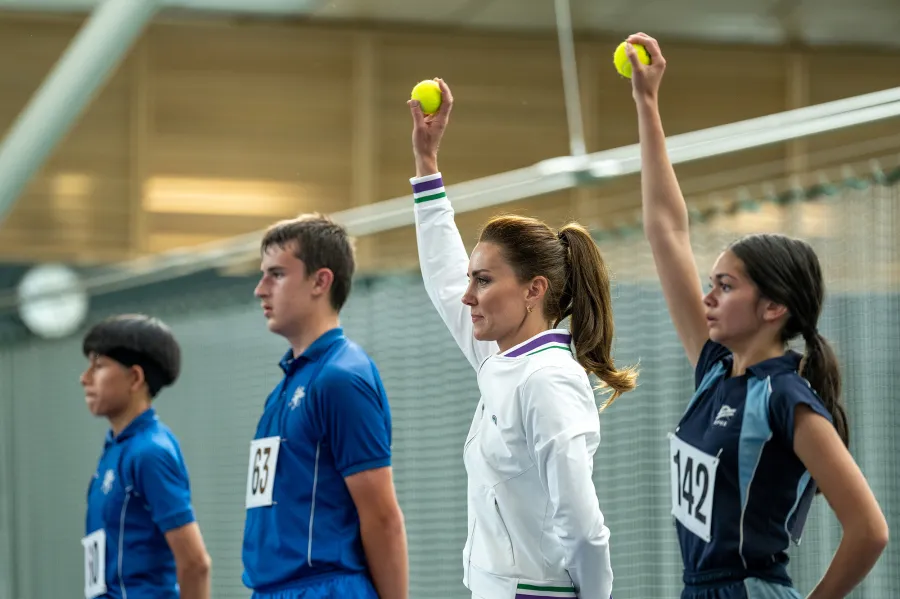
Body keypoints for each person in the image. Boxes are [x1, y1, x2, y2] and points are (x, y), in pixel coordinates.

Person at [624, 32, 889, 599]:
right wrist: (647, 103)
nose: (708, 298)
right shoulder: (716, 370)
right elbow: (666, 230)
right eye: (711, 284)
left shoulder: (787, 399)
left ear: (773, 307)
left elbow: (870, 530)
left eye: (725, 286)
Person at [408, 79, 637, 599]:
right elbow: (443, 274)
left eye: (483, 281)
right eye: (471, 278)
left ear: (534, 290)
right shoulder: (501, 359)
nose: (467, 295)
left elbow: (583, 527)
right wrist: (427, 162)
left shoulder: (548, 380)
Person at [241, 214, 409, 599]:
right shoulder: (284, 389)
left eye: (277, 274)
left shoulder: (341, 378)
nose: (260, 290)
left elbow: (382, 517)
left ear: (320, 281)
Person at [81, 314, 211, 599]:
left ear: (135, 378)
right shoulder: (116, 450)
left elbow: (195, 564)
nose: (84, 378)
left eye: (98, 366)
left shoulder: (150, 452)